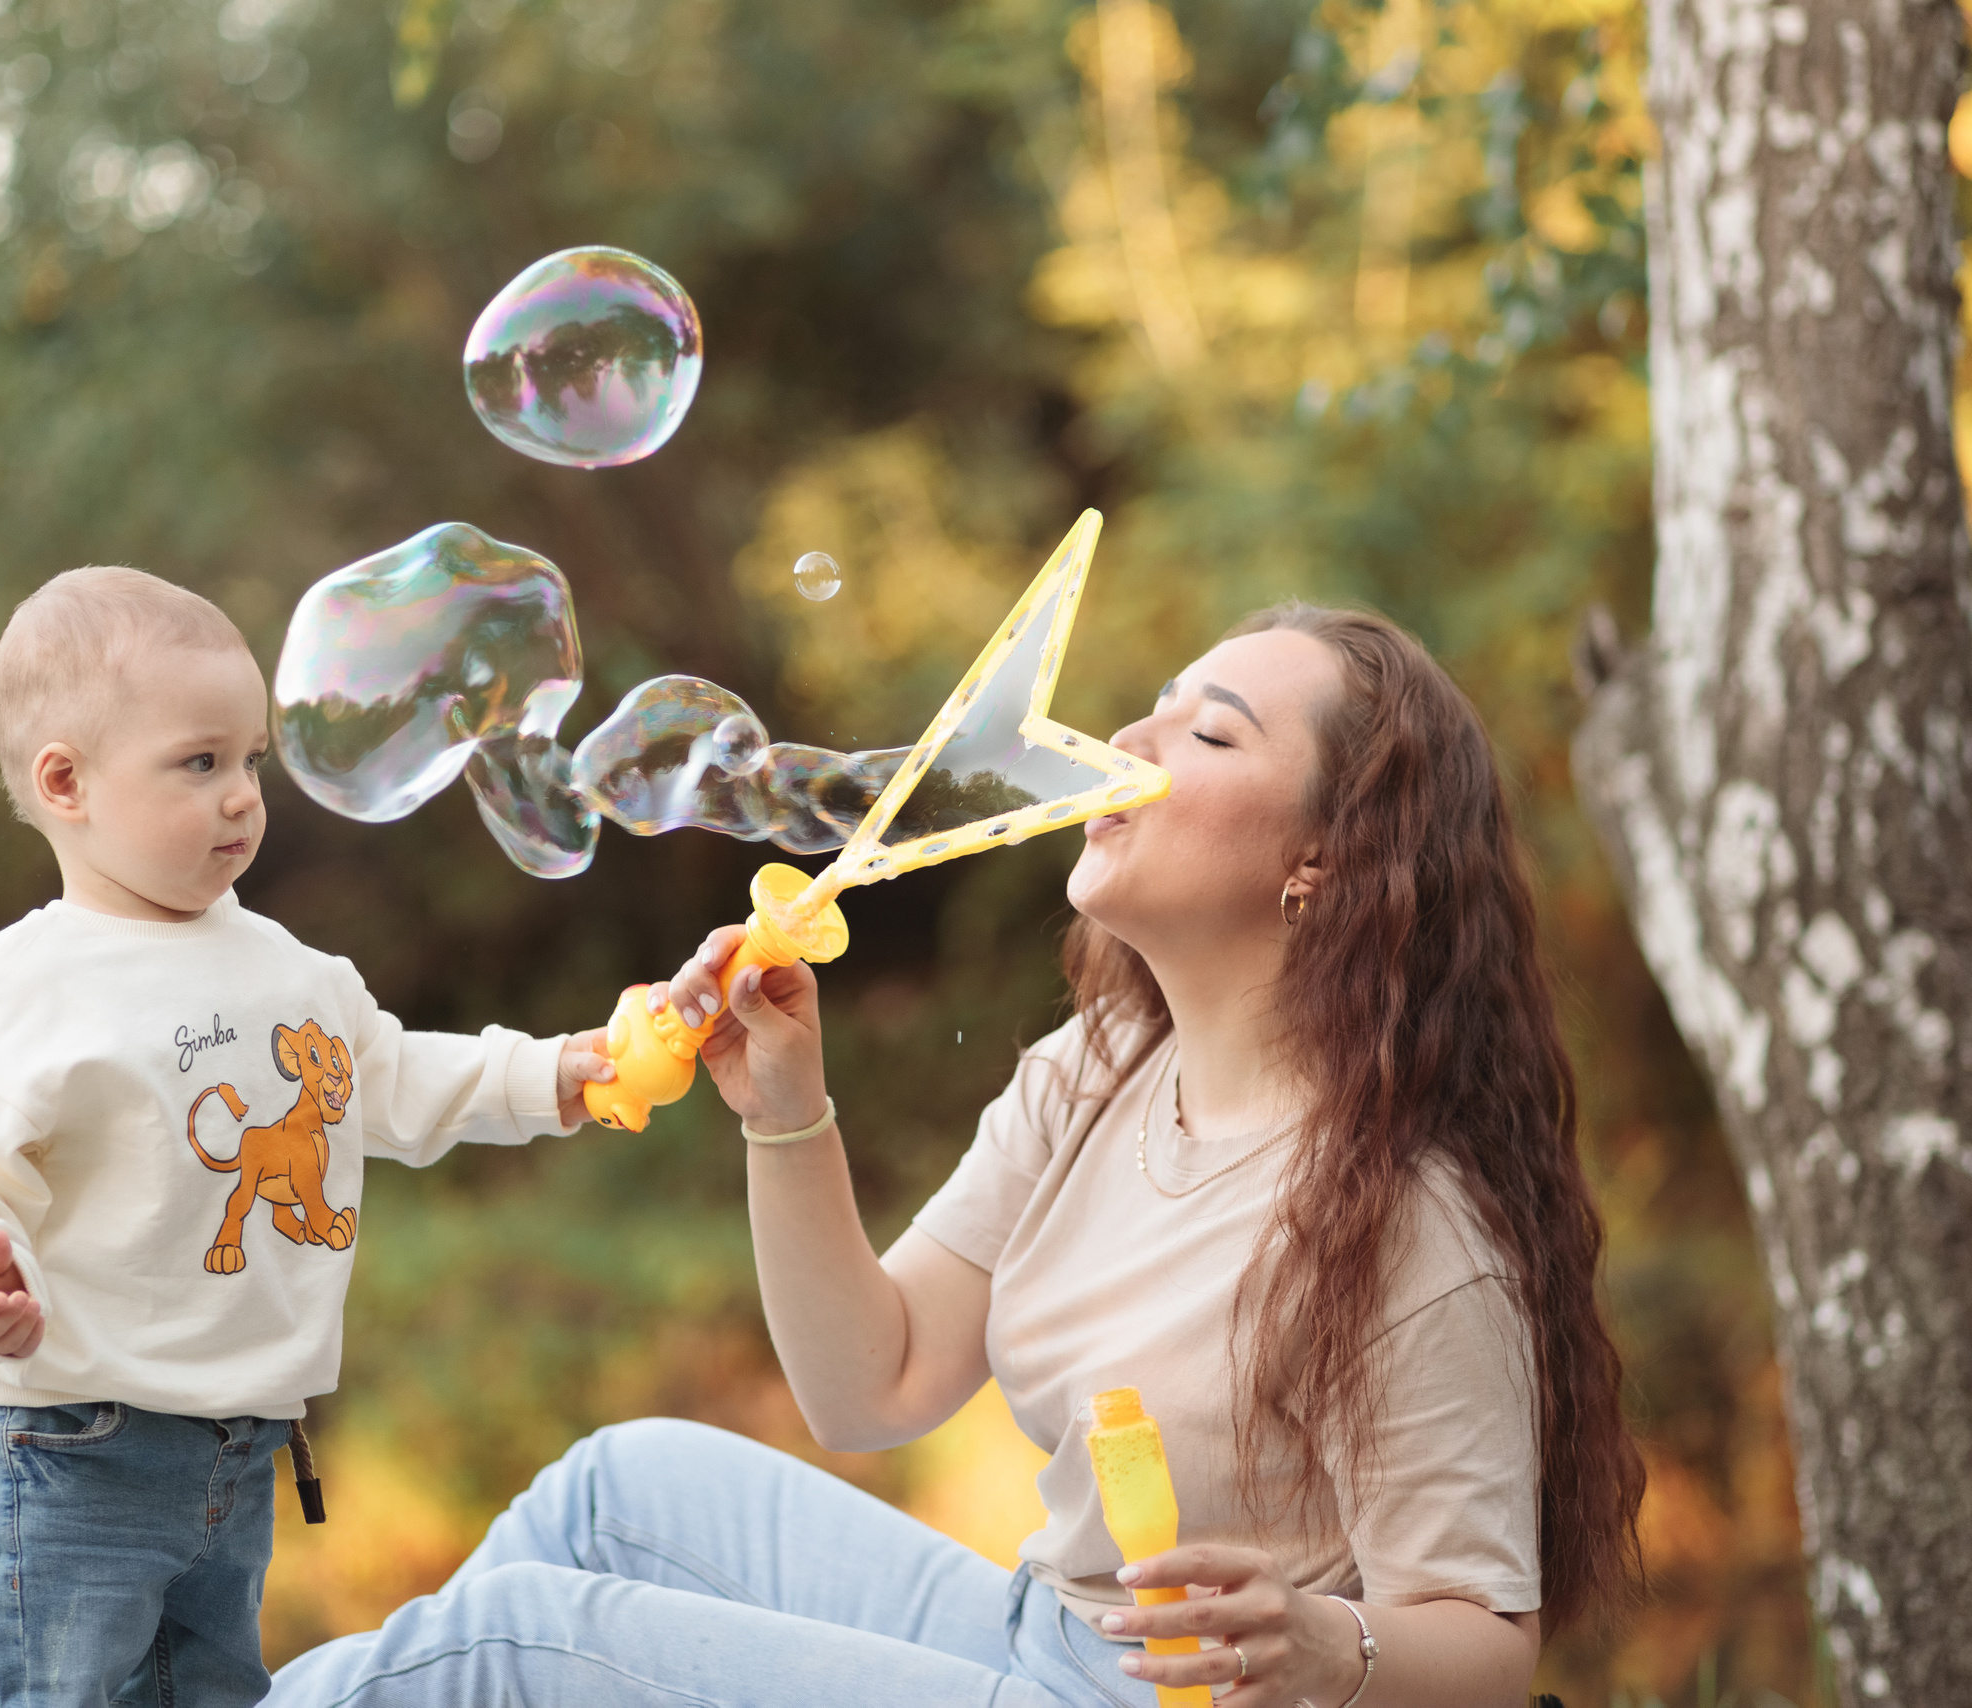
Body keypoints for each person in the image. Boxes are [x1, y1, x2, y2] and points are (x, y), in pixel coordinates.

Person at [265, 603, 1644, 1708]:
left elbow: (1486, 1647)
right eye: (1151, 701)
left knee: (510, 1645)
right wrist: (784, 1106)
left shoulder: (1406, 1222)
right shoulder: (1097, 1072)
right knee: (613, 1491)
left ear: (1326, 863)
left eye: (1208, 736)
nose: (1126, 738)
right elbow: (875, 1379)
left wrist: (1321, 1648)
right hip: (1033, 1636)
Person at [0, 566, 615, 1708]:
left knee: (213, 1692)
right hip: (76, 1445)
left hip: (235, 1444)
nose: (242, 797)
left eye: (251, 760)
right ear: (67, 782)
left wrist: (555, 1071)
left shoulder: (281, 963)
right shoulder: (35, 976)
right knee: (53, 1695)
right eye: (199, 762)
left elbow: (390, 1074)